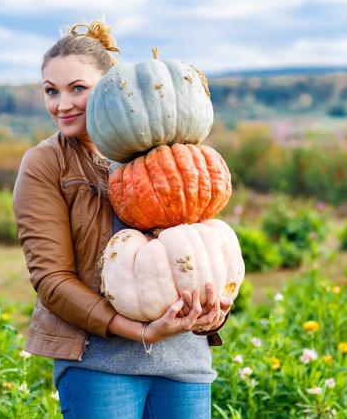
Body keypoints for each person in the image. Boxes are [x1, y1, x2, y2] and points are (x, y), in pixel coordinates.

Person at [12, 21, 233, 419]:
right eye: (51, 91)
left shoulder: (171, 152)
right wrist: (141, 332)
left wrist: (216, 307)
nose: (62, 104)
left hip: (184, 361)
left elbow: (206, 251)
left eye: (78, 88)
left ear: (112, 87)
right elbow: (51, 280)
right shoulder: (46, 164)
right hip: (99, 365)